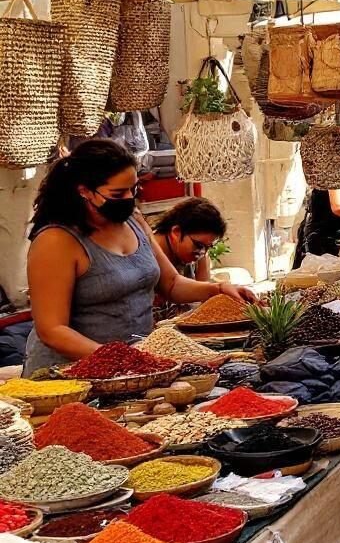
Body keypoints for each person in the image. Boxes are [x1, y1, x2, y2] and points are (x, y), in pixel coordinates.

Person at [24, 140, 255, 372]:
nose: (128, 198)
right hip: (69, 374)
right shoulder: (56, 240)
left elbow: (171, 284)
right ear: (84, 191)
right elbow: (52, 330)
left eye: (133, 189)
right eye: (118, 193)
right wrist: (121, 359)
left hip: (134, 367)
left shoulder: (133, 221)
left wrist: (218, 290)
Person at [151, 197, 226, 280]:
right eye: (199, 245)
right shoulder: (147, 256)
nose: (202, 253)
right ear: (176, 232)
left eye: (208, 247)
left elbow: (203, 288)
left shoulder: (195, 251)